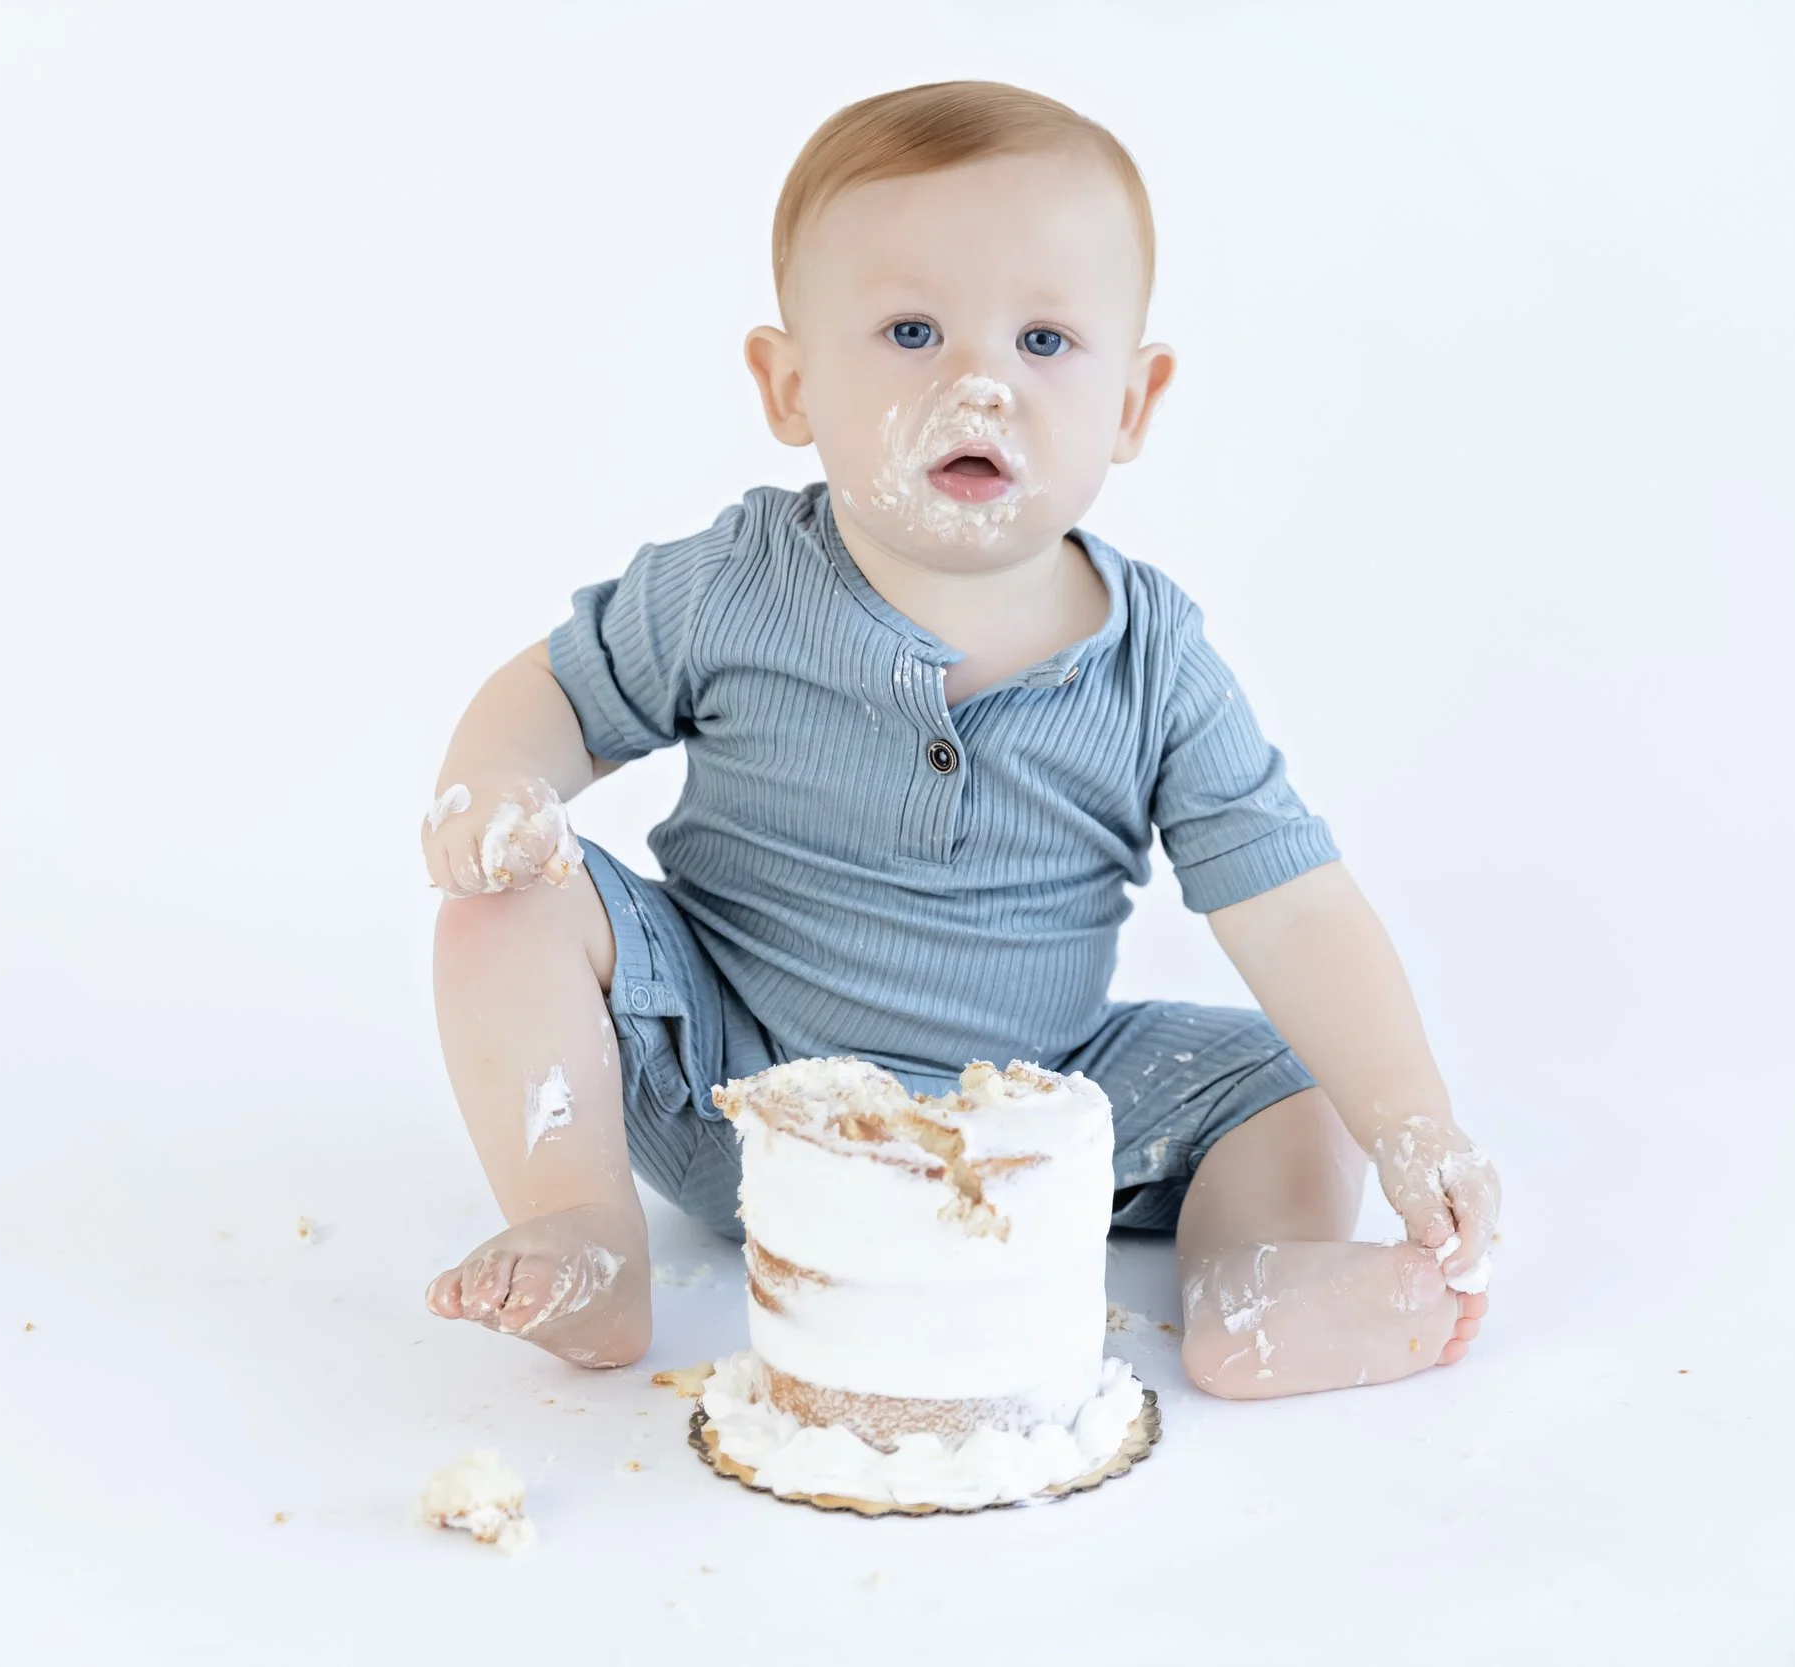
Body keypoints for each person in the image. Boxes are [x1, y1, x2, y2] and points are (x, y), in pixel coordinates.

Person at [417, 80, 1498, 1398]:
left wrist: (1412, 1120)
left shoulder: (1155, 661)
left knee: (1295, 1073)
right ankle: (584, 1229)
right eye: (913, 330)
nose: (980, 382)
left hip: (1024, 1133)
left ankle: (1256, 1287)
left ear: (1136, 402)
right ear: (792, 381)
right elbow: (557, 696)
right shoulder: (736, 582)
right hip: (734, 1093)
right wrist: (497, 789)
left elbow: (1293, 906)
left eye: (1046, 340)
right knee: (509, 904)